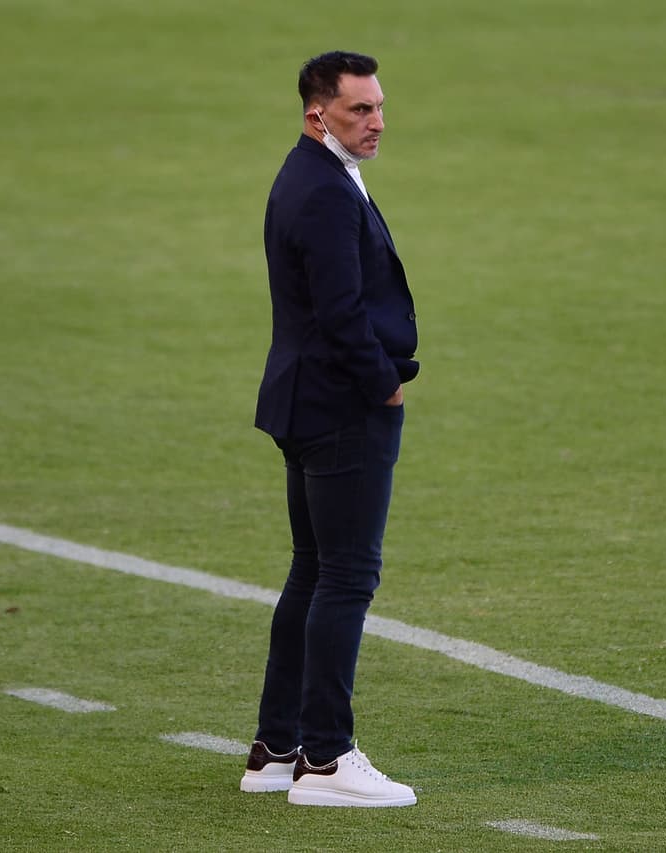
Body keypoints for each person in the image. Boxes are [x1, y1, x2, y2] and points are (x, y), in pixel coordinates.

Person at [239, 50, 419, 808]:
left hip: (306, 401)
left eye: (379, 107)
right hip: (340, 407)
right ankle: (325, 758)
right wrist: (386, 386)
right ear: (318, 114)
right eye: (358, 111)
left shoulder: (310, 173)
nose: (375, 122)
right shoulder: (321, 189)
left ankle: (277, 747)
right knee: (346, 576)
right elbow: (342, 312)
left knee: (312, 570)